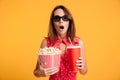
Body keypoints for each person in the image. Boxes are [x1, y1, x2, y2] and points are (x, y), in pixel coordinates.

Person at [33, 5, 87, 80]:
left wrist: (82, 67)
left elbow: (84, 71)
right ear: (53, 23)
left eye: (65, 18)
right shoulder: (46, 43)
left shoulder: (78, 43)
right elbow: (36, 72)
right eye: (57, 18)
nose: (61, 21)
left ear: (69, 22)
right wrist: (42, 73)